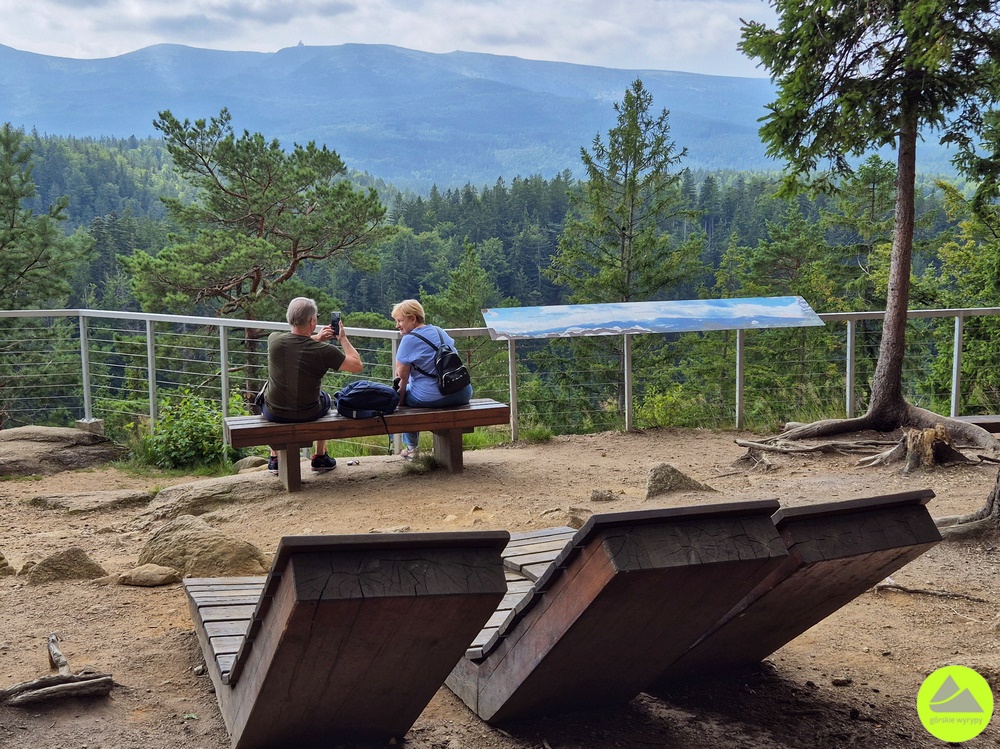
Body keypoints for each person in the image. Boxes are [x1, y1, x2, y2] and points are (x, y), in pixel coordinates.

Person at [261, 297, 363, 474]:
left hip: (274, 412)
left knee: (267, 390)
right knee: (326, 398)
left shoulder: (274, 341)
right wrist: (343, 338)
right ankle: (319, 457)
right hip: (308, 413)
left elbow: (298, 344)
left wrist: (316, 338)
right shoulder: (324, 351)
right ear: (312, 321)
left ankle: (275, 458)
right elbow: (356, 365)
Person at [392, 299, 472, 460]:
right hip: (462, 393)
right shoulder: (439, 331)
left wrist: (398, 404)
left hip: (431, 397)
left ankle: (412, 448)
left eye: (400, 320)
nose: (397, 325)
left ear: (412, 319)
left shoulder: (408, 340)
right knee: (408, 394)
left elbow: (401, 379)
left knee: (404, 399)